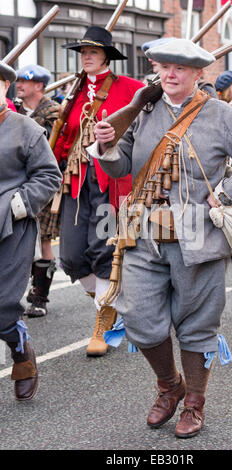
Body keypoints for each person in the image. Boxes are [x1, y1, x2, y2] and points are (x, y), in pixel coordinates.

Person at [89, 38, 232, 438]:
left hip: (200, 238)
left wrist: (225, 194)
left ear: (196, 74)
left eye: (180, 69)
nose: (170, 75)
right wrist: (105, 142)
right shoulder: (145, 110)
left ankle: (194, 401)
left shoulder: (221, 114)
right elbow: (120, 163)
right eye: (164, 67)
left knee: (197, 324)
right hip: (143, 233)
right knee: (139, 318)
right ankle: (169, 387)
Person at [53, 26, 144, 357]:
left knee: (103, 251)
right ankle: (112, 302)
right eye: (83, 52)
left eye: (92, 51)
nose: (86, 56)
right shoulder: (74, 93)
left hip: (113, 182)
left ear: (107, 55)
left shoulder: (132, 89)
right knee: (72, 258)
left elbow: (145, 131)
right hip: (77, 180)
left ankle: (103, 322)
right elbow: (64, 139)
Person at [0, 61, 62, 401]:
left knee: (4, 304)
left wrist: (16, 205)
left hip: (12, 227)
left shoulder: (25, 128)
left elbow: (49, 177)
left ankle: (20, 347)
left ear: (5, 87)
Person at [15, 64, 61, 317]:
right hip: (15, 182)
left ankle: (40, 297)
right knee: (19, 238)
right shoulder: (13, 111)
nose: (19, 85)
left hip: (42, 183)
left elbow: (57, 151)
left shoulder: (54, 113)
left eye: (25, 81)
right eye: (18, 81)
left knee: (43, 237)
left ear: (39, 85)